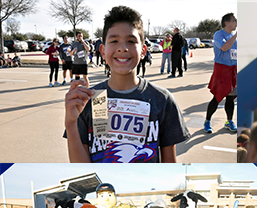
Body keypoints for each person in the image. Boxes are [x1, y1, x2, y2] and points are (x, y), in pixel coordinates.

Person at [63, 6, 191, 163]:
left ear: (143, 50)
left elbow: (169, 162)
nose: (122, 48)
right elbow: (81, 165)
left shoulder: (162, 100)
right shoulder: (87, 100)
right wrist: (71, 124)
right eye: (114, 41)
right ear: (102, 51)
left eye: (131, 41)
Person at [205, 13, 237, 134]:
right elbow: (224, 47)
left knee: (230, 98)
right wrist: (236, 36)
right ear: (226, 23)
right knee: (217, 97)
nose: (236, 23)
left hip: (233, 70)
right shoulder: (219, 34)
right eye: (234, 21)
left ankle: (229, 121)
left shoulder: (235, 36)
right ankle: (207, 121)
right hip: (222, 70)